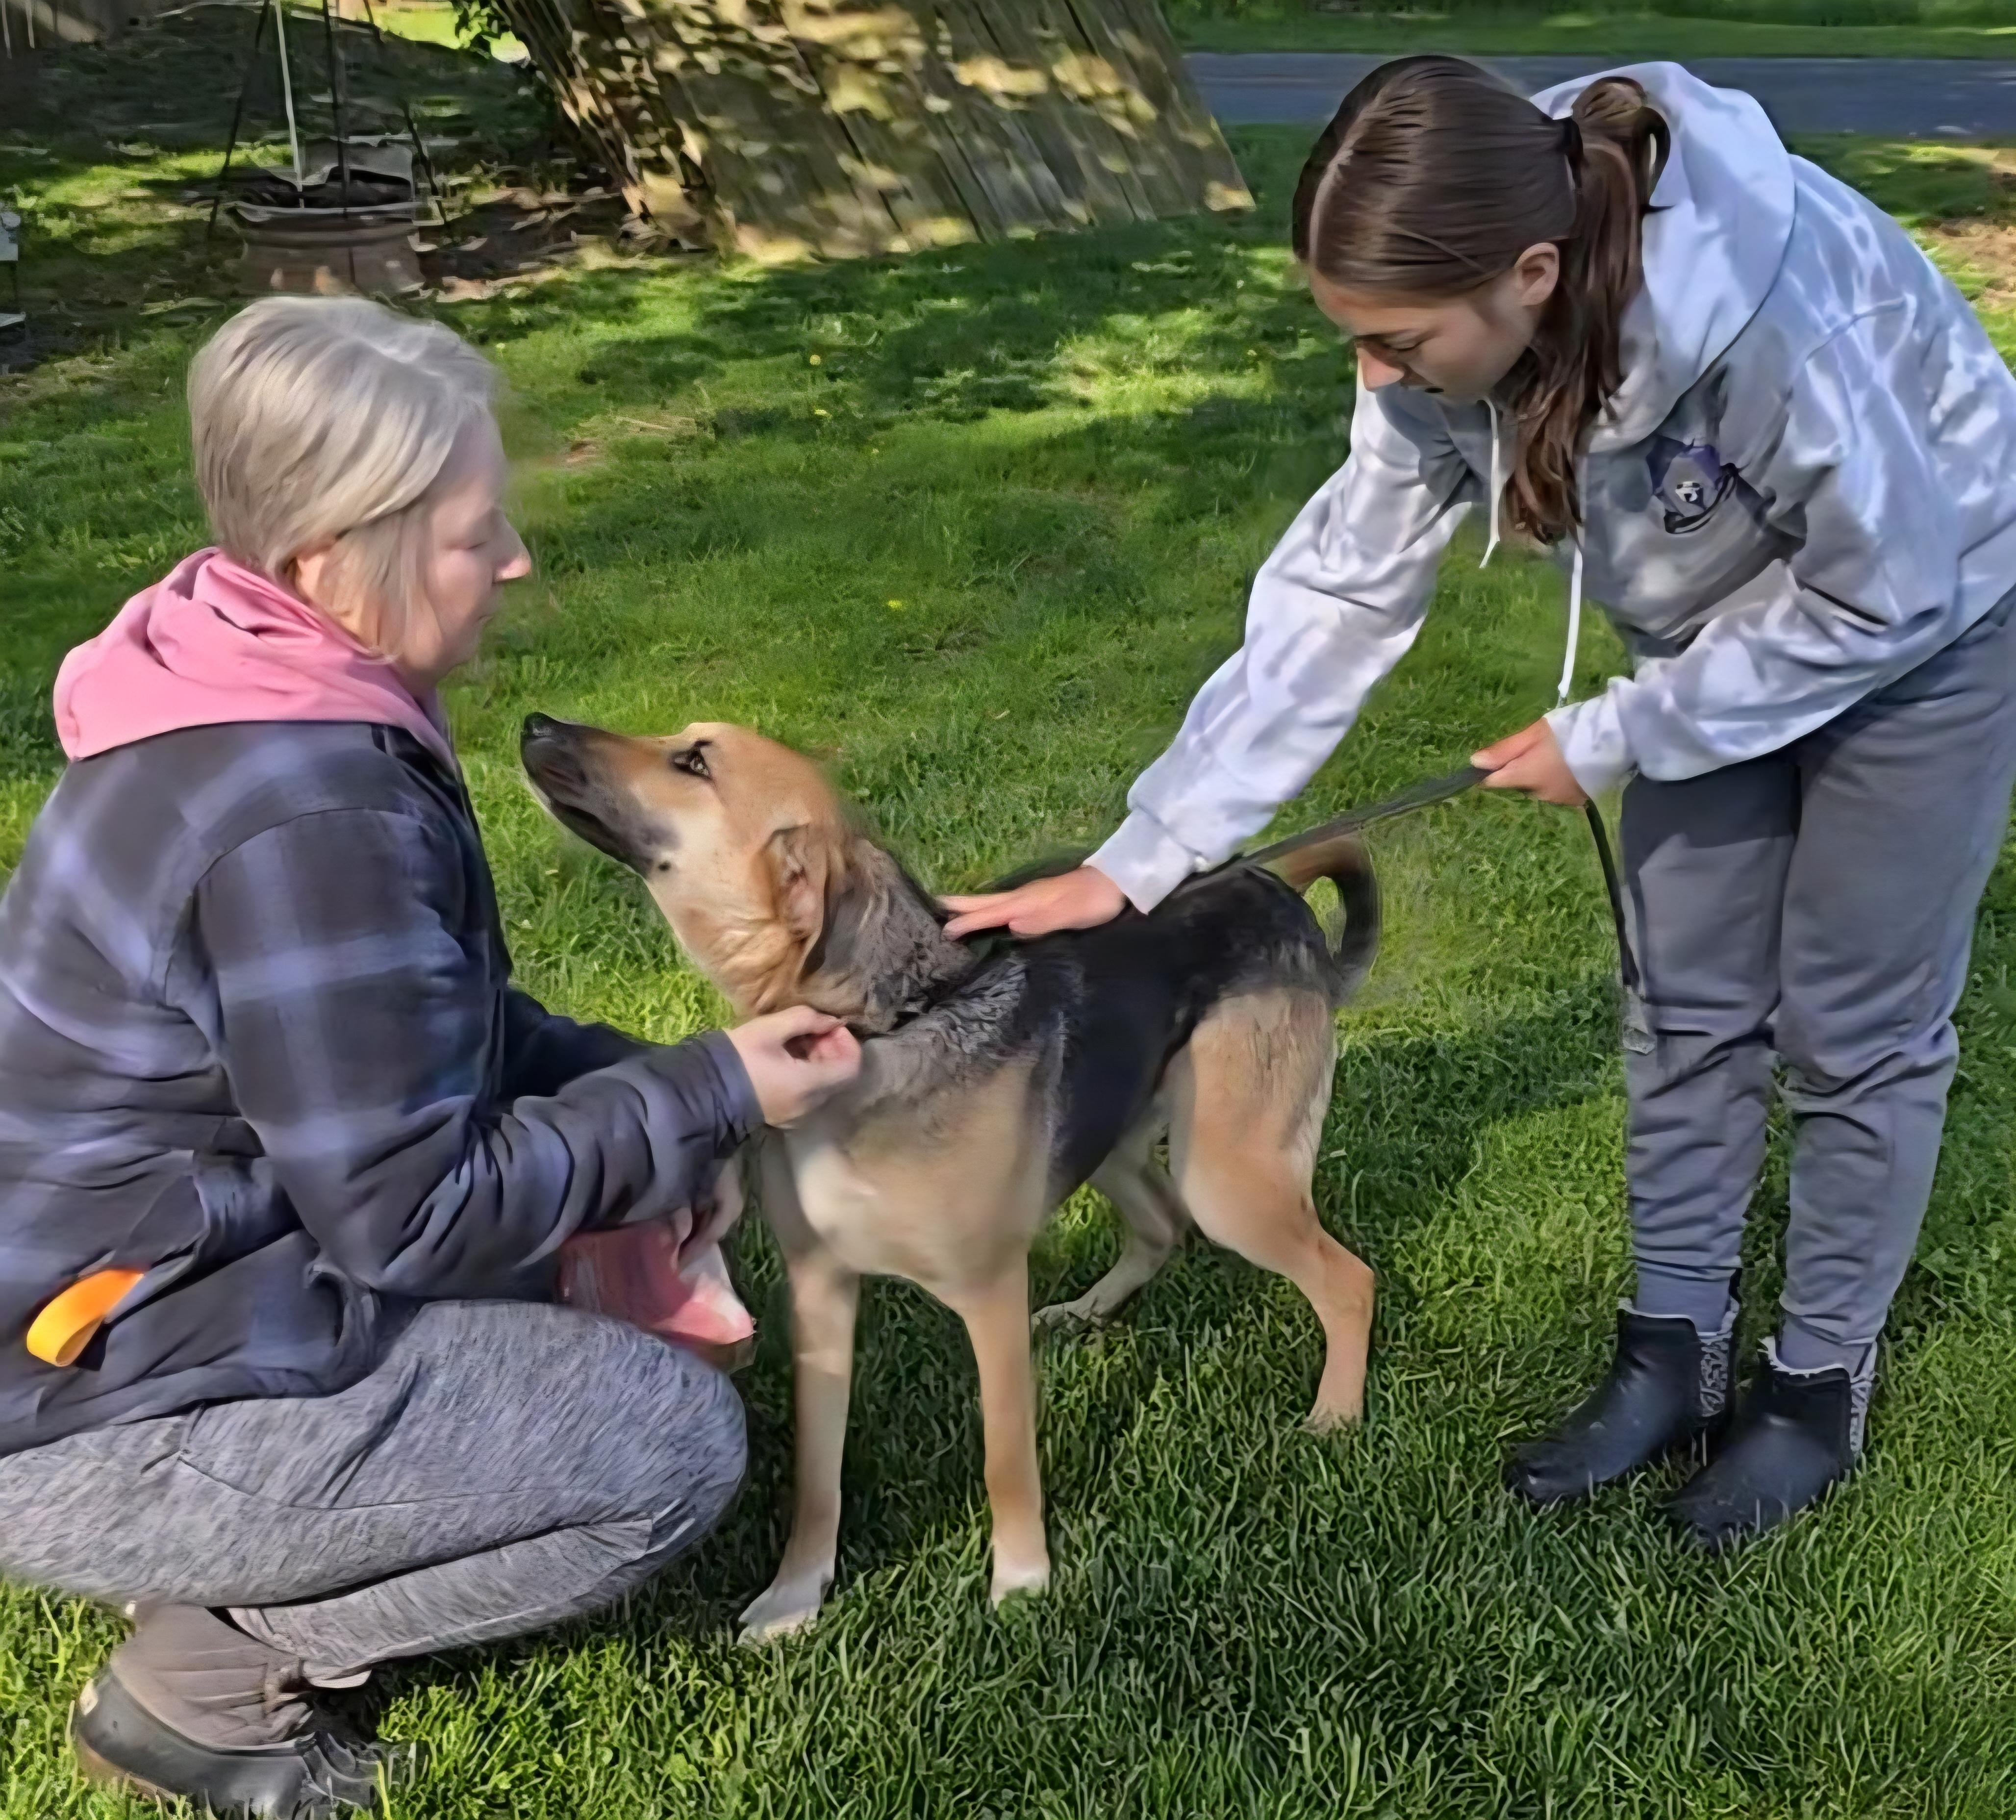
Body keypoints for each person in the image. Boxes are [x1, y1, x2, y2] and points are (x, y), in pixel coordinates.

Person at [946, 56, 2016, 1549]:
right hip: (1712, 649)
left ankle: (1813, 1386)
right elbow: (1341, 594)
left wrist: (1628, 728)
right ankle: (1675, 1354)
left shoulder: (1775, 316)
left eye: (1397, 340)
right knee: (1686, 1003)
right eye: (1355, 338)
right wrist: (1142, 858)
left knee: (1856, 1030)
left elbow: (1883, 593)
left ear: (1532, 275)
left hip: (1928, 626)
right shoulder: (1449, 319)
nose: (1377, 376)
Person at [0, 297, 861, 1819]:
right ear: (328, 560)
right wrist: (708, 1093)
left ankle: (249, 1544)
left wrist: (669, 1102)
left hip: (149, 1290)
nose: (515, 557)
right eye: (475, 533)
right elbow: (409, 1212)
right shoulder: (306, 808)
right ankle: (209, 1675)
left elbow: (421, 1033)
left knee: (582, 1278)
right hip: (85, 1394)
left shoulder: (250, 680)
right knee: (660, 1448)